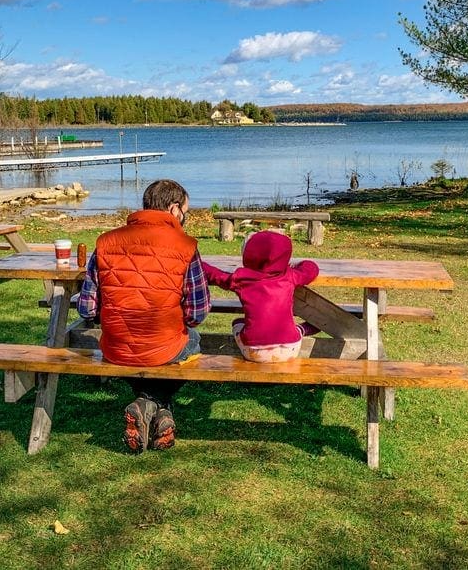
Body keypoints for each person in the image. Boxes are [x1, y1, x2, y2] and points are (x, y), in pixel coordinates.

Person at [76, 179, 209, 454]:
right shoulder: (185, 245)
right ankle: (158, 404)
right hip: (163, 345)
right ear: (173, 210)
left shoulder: (105, 242)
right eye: (185, 212)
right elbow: (197, 313)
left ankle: (147, 404)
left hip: (116, 346)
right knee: (194, 340)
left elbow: (86, 309)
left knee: (143, 350)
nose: (185, 218)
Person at [202, 230, 319, 362]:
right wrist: (300, 264)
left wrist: (198, 264)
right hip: (290, 347)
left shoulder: (241, 279)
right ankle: (300, 329)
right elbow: (311, 270)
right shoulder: (289, 276)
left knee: (237, 323)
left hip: (253, 350)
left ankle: (295, 330)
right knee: (289, 329)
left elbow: (216, 275)